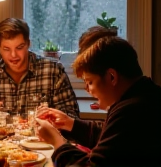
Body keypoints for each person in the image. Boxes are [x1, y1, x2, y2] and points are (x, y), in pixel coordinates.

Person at [35, 35, 161, 167]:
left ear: (112, 77)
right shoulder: (145, 94)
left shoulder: (133, 111)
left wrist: (57, 142)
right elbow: (110, 139)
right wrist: (70, 124)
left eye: (90, 82)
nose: (87, 89)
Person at [0, 17, 79, 118]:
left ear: (28, 44)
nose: (13, 55)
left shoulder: (53, 71)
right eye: (6, 49)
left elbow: (72, 118)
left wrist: (51, 117)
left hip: (41, 138)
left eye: (19, 47)